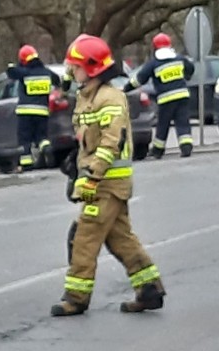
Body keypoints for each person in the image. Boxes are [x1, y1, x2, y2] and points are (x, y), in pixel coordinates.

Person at [51, 34, 165, 317]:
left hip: (107, 183)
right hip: (104, 182)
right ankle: (149, 289)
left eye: (76, 67)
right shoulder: (88, 96)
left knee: (84, 237)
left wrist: (91, 178)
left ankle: (76, 297)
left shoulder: (109, 98)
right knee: (119, 238)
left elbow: (110, 143)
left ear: (90, 69)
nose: (72, 71)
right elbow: (87, 139)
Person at [124, 32, 195, 158]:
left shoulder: (154, 64)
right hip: (183, 96)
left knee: (163, 124)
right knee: (183, 122)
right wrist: (186, 76)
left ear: (155, 47)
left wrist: (126, 88)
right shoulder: (179, 58)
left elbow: (140, 79)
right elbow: (190, 68)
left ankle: (158, 150)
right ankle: (186, 147)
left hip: (166, 99)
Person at [7, 44, 61, 170]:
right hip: (42, 111)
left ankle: (26, 163)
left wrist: (12, 65)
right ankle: (46, 147)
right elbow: (58, 80)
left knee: (25, 139)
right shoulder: (46, 73)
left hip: (25, 112)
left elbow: (11, 72)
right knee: (42, 137)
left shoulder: (24, 72)